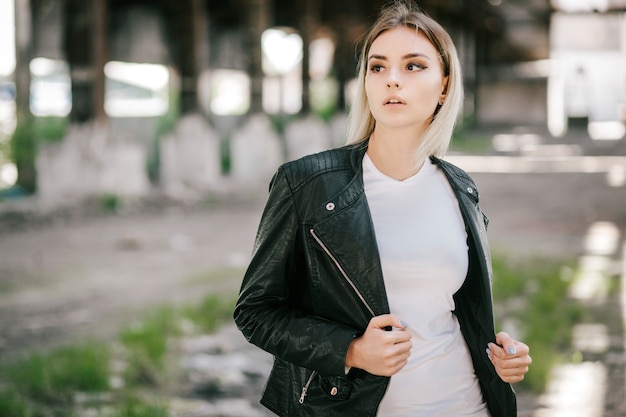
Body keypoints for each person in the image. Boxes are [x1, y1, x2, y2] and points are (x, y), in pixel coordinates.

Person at [234, 1, 532, 416]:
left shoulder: (460, 187)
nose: (392, 80)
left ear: (444, 85)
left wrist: (503, 353)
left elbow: (452, 310)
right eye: (378, 67)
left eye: (413, 66)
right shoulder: (307, 183)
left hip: (467, 404)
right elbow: (255, 312)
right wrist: (351, 350)